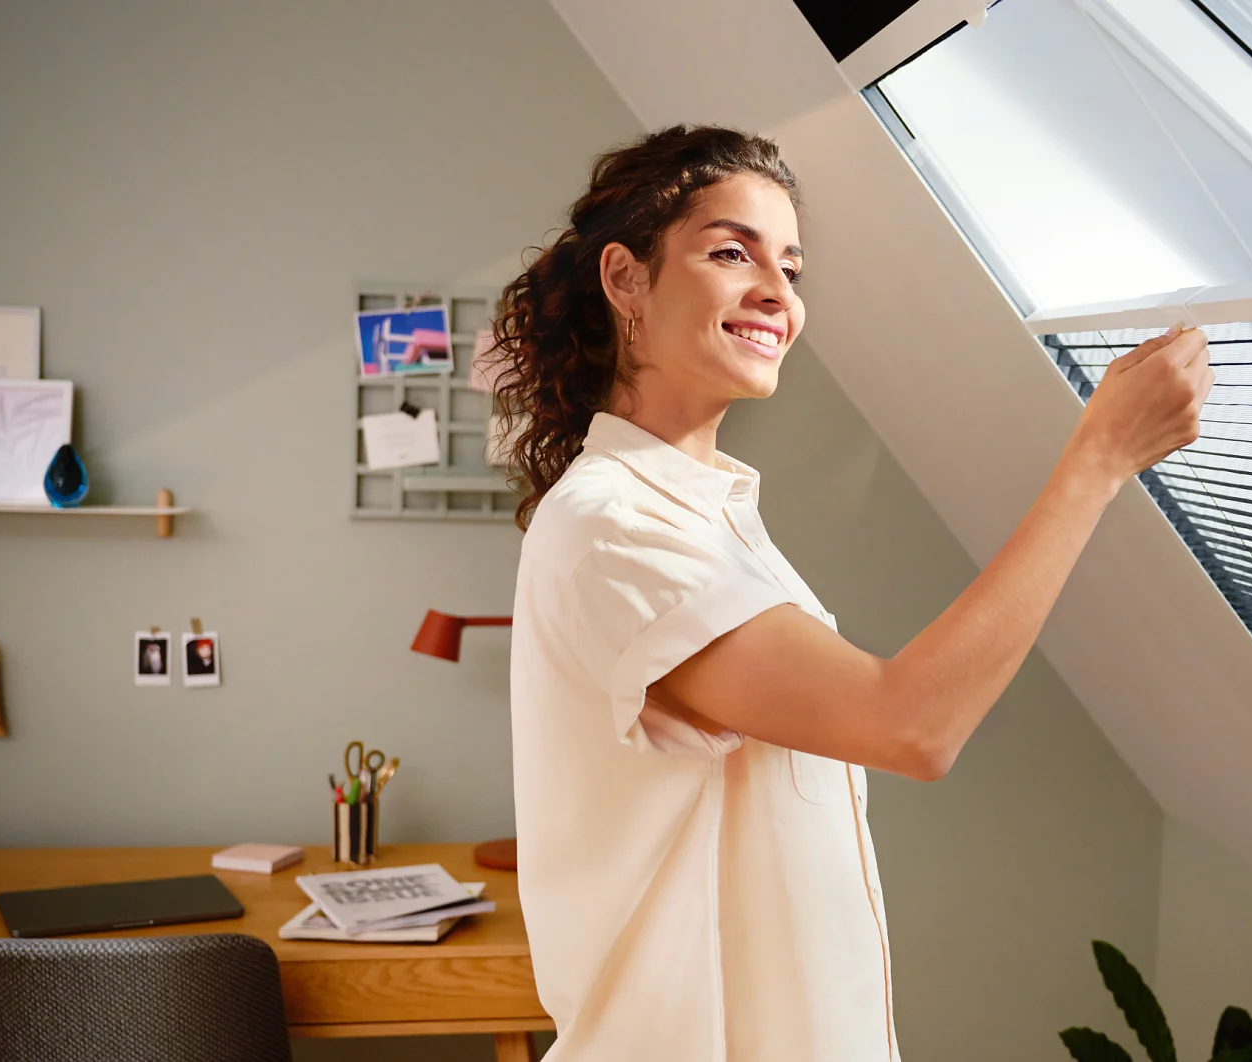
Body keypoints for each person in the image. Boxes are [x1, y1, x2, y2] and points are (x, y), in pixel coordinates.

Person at [496, 126, 1210, 1061]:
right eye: (729, 252)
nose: (776, 295)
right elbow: (908, 724)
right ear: (626, 280)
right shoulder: (615, 529)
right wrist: (1098, 461)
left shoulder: (704, 516)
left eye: (792, 269)